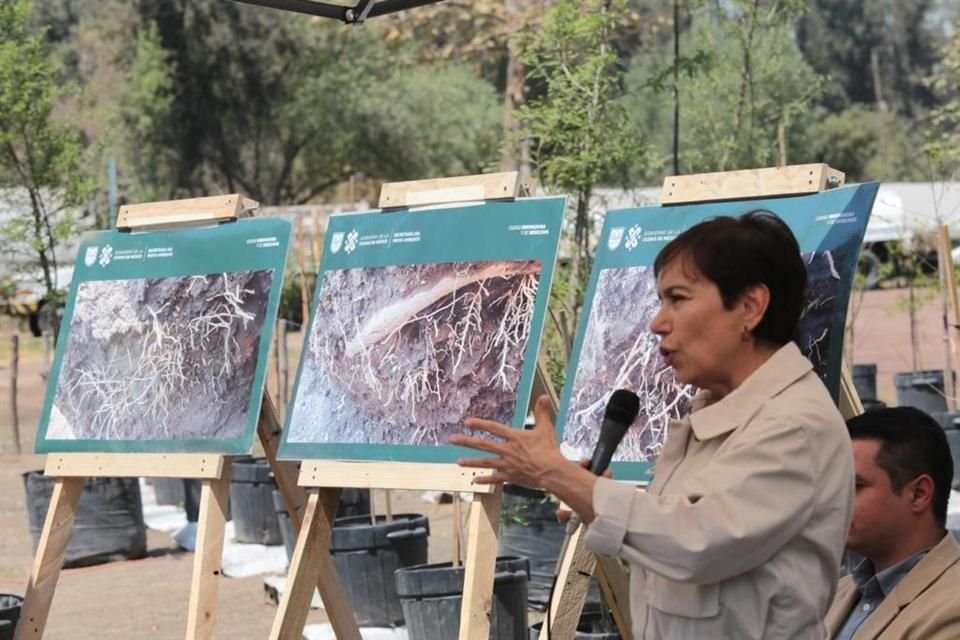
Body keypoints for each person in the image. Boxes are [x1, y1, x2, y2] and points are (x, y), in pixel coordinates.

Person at [450, 211, 854, 639]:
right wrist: (587, 492)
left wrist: (558, 474)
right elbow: (679, 531)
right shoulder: (722, 409)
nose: (657, 323)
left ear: (750, 306)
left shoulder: (793, 423)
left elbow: (696, 540)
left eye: (677, 299)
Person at [825, 407, 960, 640]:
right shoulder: (837, 592)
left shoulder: (952, 606)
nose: (834, 499)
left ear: (918, 494)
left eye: (855, 486)